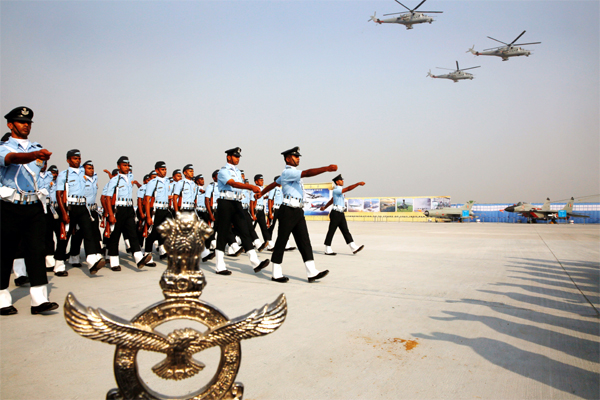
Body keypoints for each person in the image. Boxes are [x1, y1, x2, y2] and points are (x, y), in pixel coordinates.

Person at [0, 106, 58, 315]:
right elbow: (12, 159)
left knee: (36, 250)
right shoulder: (4, 147)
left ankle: (39, 299)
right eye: (21, 121)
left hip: (33, 205)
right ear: (10, 125)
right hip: (9, 207)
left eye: (28, 122)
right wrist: (35, 155)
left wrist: (38, 155)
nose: (26, 125)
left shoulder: (36, 147)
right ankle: (2, 299)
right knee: (5, 251)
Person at [258, 146, 335, 283]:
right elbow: (307, 173)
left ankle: (311, 272)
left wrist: (261, 193)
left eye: (298, 156)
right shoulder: (288, 172)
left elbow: (273, 184)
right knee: (281, 241)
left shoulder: (287, 175)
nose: (298, 158)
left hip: (298, 211)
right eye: (295, 156)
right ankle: (276, 273)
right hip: (287, 210)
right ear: (288, 159)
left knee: (304, 241)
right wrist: (326, 168)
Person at [214, 147, 269, 275]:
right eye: (235, 156)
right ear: (229, 157)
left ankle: (255, 263)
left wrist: (253, 194)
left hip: (237, 203)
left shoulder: (238, 171)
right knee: (222, 234)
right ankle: (219, 266)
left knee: (245, 231)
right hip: (226, 203)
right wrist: (250, 187)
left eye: (239, 157)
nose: (238, 159)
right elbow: (233, 184)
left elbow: (240, 188)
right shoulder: (223, 171)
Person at [55, 150, 104, 276]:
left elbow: (94, 175)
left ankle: (92, 261)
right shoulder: (64, 175)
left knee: (88, 233)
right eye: (75, 158)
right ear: (68, 160)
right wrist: (64, 213)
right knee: (65, 236)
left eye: (79, 158)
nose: (78, 161)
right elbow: (59, 195)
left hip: (83, 207)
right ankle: (59, 265)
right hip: (70, 207)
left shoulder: (84, 172)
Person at [104, 156, 151, 270]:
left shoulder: (131, 177)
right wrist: (110, 214)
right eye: (124, 165)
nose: (126, 167)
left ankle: (139, 259)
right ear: (118, 166)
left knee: (133, 234)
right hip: (118, 209)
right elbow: (108, 197)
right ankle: (114, 261)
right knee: (116, 235)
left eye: (128, 165)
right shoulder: (115, 180)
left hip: (129, 208)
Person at [320, 174, 365, 255]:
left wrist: (324, 207)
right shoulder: (337, 189)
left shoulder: (339, 190)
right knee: (331, 231)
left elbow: (332, 200)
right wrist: (357, 184)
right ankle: (327, 249)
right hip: (335, 213)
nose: (342, 181)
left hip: (340, 213)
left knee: (346, 231)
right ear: (337, 182)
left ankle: (353, 247)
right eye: (341, 180)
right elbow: (348, 189)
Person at [68, 160, 102, 266]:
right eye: (89, 168)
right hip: (82, 209)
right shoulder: (80, 180)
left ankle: (96, 255)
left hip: (93, 210)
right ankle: (74, 257)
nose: (91, 170)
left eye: (92, 168)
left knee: (94, 233)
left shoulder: (94, 178)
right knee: (78, 234)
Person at [144, 161, 171, 262]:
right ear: (157, 170)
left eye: (165, 169)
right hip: (157, 210)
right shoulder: (153, 182)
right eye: (162, 170)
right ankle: (147, 255)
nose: (164, 172)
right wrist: (148, 216)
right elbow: (147, 199)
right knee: (153, 233)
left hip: (166, 210)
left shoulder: (168, 181)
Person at [250, 174, 270, 251]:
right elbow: (252, 202)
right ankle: (249, 243)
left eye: (263, 180)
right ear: (256, 181)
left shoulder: (262, 189)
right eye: (260, 180)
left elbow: (262, 197)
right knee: (251, 228)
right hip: (256, 211)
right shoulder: (254, 190)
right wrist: (252, 214)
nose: (262, 182)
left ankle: (267, 241)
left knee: (264, 227)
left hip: (261, 211)